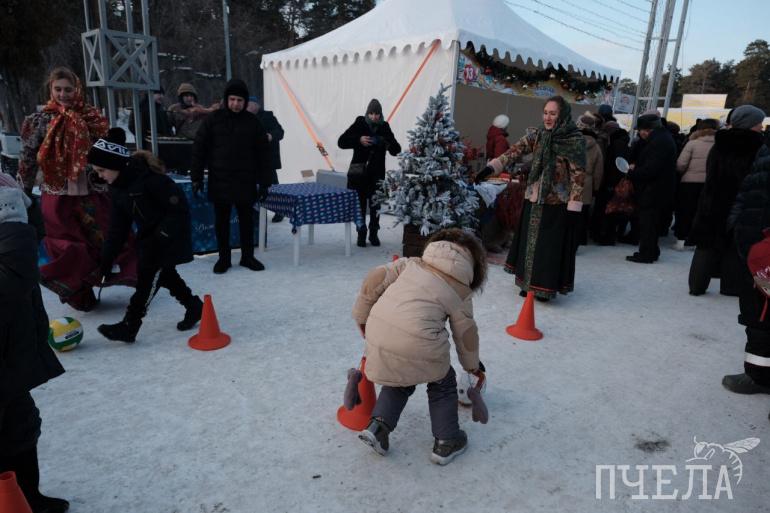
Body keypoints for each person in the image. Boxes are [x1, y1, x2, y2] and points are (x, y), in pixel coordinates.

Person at [350, 228, 487, 465]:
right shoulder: (460, 290)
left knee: (400, 377)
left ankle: (378, 427)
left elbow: (375, 278)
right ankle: (447, 440)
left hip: (379, 331)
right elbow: (466, 334)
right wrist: (472, 366)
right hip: (419, 343)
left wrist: (362, 318)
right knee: (442, 382)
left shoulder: (409, 264)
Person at [17, 66, 136, 311]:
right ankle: (80, 295)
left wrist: (120, 180)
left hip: (92, 191)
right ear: (50, 90)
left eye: (68, 89)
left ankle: (131, 279)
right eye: (58, 89)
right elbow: (28, 156)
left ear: (77, 90)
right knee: (67, 245)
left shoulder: (92, 118)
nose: (63, 94)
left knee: (107, 236)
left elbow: (108, 154)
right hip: (57, 193)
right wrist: (24, 190)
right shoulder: (39, 121)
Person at [87, 139, 203, 342]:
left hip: (170, 237)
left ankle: (130, 326)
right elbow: (117, 229)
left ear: (116, 166)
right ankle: (194, 306)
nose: (99, 175)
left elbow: (178, 211)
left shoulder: (153, 181)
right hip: (148, 238)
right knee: (165, 275)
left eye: (102, 170)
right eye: (96, 171)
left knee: (146, 281)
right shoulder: (118, 188)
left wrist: (161, 237)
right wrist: (107, 260)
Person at [0, 186, 69, 513]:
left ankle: (27, 498)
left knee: (21, 427)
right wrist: (12, 212)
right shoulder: (11, 231)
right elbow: (14, 275)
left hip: (11, 354)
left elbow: (35, 235)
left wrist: (22, 203)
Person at [484, 95, 586, 301]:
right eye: (545, 113)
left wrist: (574, 205)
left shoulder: (574, 140)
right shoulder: (538, 135)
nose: (547, 117)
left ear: (562, 115)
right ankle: (527, 283)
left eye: (553, 114)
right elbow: (514, 151)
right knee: (529, 243)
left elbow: (578, 174)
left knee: (547, 247)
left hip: (556, 201)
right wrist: (492, 167)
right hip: (534, 196)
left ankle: (543, 288)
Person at [191, 79, 272, 274]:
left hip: (245, 180)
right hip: (220, 180)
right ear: (226, 99)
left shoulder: (253, 122)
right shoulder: (213, 120)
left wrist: (265, 182)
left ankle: (247, 257)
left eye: (240, 100)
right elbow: (199, 148)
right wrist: (196, 177)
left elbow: (264, 154)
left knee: (246, 221)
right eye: (232, 99)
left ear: (245, 102)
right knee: (222, 222)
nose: (236, 104)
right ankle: (224, 258)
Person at [688, 105, 766, 295]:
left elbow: (710, 170)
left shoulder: (720, 143)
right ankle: (730, 286)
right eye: (758, 123)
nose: (761, 126)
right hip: (741, 202)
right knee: (734, 245)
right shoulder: (757, 146)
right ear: (749, 123)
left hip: (713, 199)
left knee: (706, 243)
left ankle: (696, 285)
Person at [723, 144, 770, 394]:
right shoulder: (764, 150)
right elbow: (747, 195)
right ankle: (758, 374)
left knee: (762, 312)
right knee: (759, 311)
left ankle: (759, 376)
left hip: (763, 256)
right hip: (758, 254)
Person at [338, 99, 401, 248]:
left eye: (377, 114)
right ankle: (361, 233)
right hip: (359, 174)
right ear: (367, 113)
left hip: (376, 174)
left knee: (375, 205)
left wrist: (384, 141)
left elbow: (396, 150)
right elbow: (341, 142)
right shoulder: (360, 123)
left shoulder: (384, 127)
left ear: (381, 114)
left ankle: (373, 233)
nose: (374, 117)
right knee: (359, 205)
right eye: (371, 113)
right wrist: (358, 140)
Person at [625, 113, 677, 263]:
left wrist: (632, 172)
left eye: (641, 130)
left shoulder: (659, 142)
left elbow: (651, 169)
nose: (640, 133)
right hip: (658, 188)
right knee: (651, 222)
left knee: (648, 222)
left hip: (653, 190)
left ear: (648, 129)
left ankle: (647, 253)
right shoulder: (662, 138)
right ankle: (651, 250)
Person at [673, 118, 718, 250]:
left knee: (685, 211)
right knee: (703, 212)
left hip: (689, 183)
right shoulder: (720, 145)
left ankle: (681, 240)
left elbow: (681, 164)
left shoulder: (692, 143)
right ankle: (696, 241)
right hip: (710, 183)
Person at [590, 120, 630, 245]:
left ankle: (606, 236)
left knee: (609, 210)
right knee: (614, 210)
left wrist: (610, 184)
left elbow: (616, 165)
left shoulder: (616, 144)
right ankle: (609, 235)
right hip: (616, 182)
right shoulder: (622, 142)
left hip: (612, 183)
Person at [246, 96, 285, 222]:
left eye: (249, 104)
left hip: (268, 160)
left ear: (257, 105)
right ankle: (255, 212)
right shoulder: (244, 118)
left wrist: (270, 136)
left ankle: (280, 210)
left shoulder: (268, 116)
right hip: (251, 160)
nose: (247, 107)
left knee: (273, 187)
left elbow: (280, 132)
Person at [575, 112, 604, 246]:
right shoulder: (596, 146)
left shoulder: (571, 141)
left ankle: (569, 238)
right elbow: (599, 170)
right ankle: (581, 238)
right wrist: (596, 187)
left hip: (571, 179)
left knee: (570, 210)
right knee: (583, 212)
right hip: (587, 181)